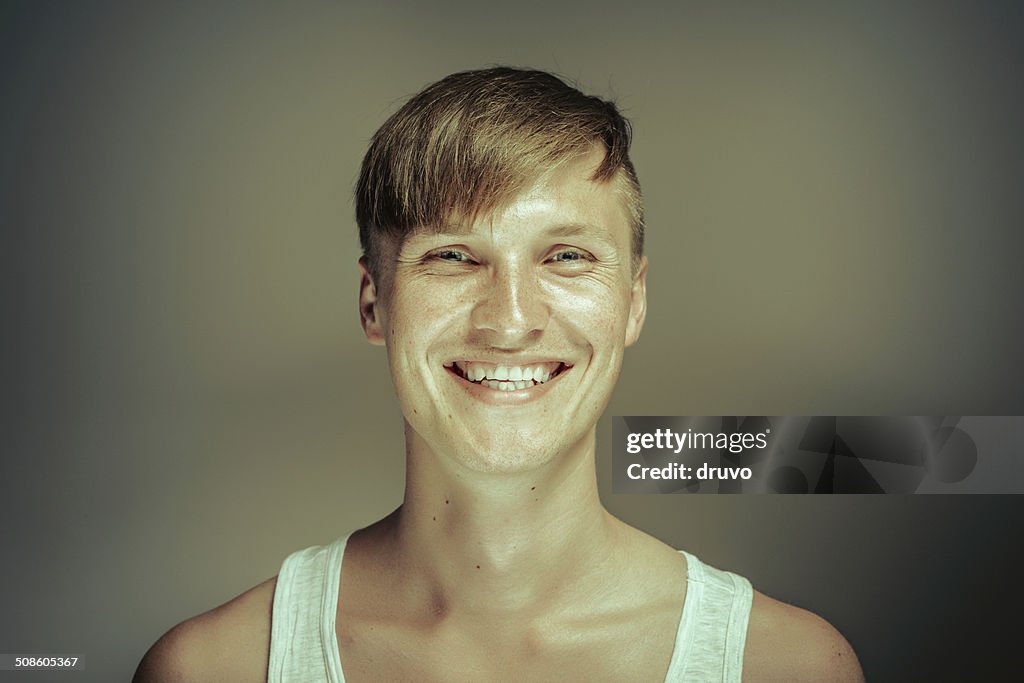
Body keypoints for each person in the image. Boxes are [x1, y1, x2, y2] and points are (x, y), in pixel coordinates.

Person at [135, 67, 863, 682]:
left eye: (567, 255)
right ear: (373, 303)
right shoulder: (212, 666)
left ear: (633, 301)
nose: (510, 321)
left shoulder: (790, 664)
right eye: (452, 256)